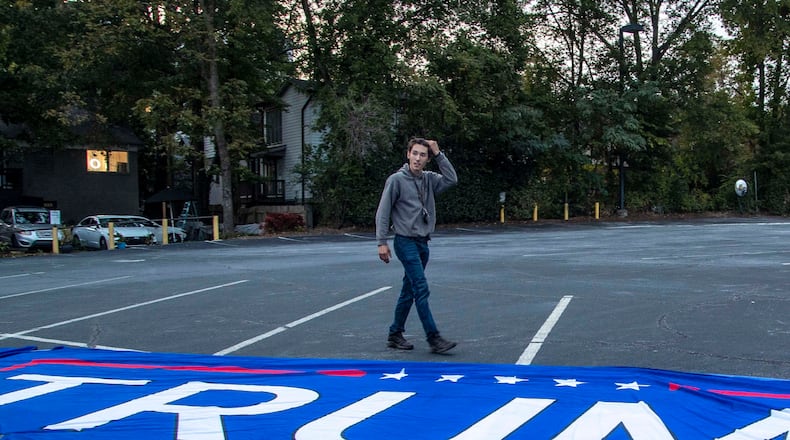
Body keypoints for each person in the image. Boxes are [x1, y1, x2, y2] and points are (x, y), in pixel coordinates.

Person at [375, 137, 458, 353]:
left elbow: (451, 179)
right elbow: (383, 212)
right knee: (421, 288)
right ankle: (434, 338)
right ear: (408, 154)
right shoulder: (396, 180)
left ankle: (395, 333)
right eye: (415, 153)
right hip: (405, 242)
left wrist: (439, 153)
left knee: (409, 290)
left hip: (423, 243)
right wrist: (381, 242)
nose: (418, 158)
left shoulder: (429, 180)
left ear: (427, 159)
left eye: (423, 155)